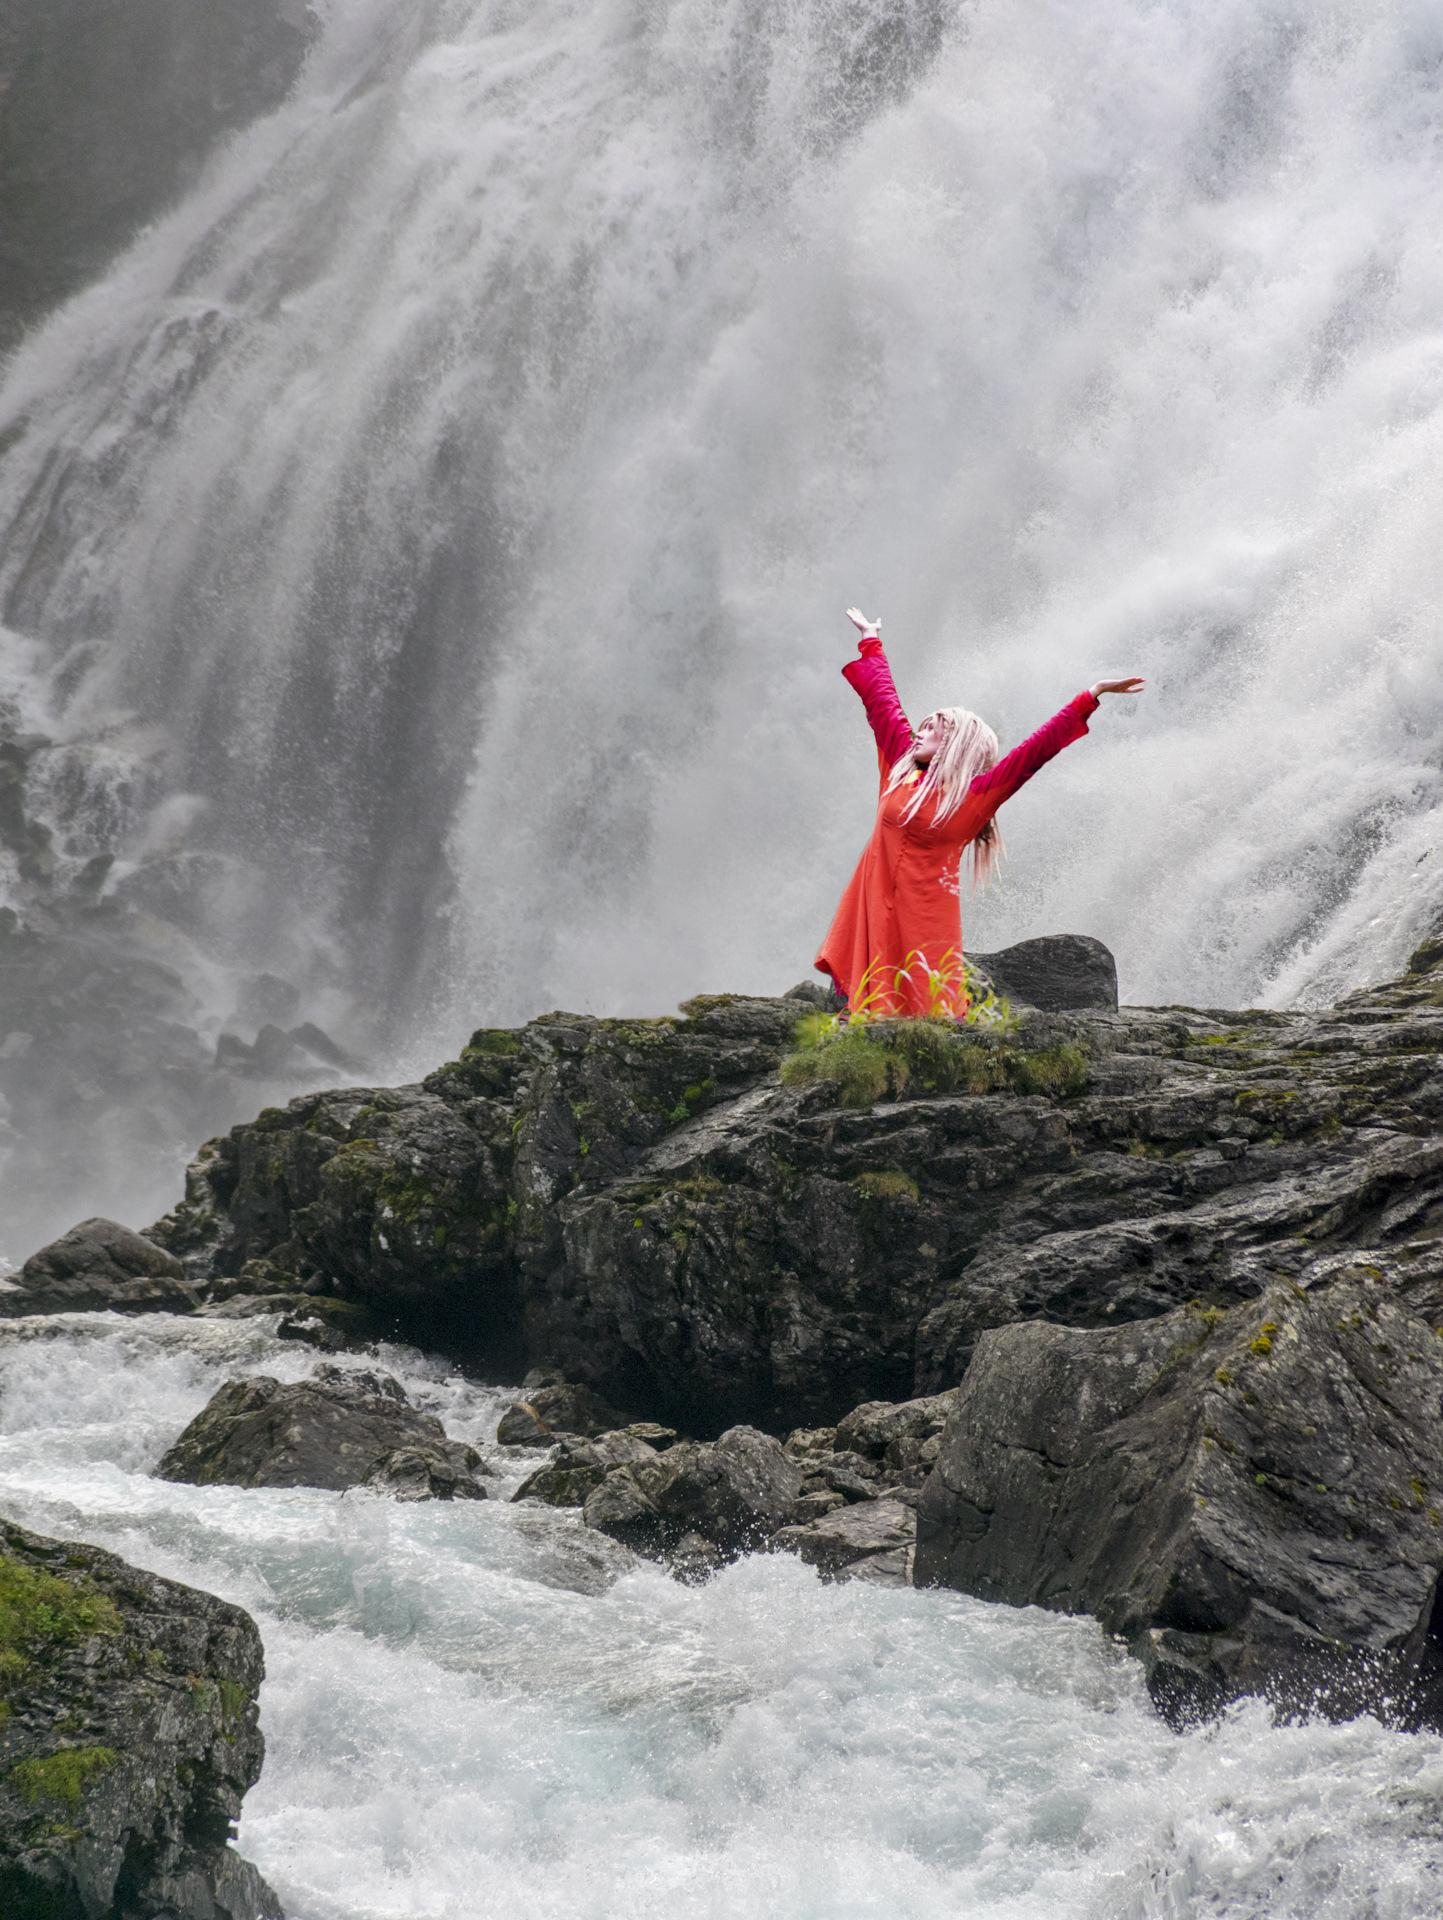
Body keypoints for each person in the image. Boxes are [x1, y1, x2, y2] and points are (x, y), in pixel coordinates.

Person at [815, 607, 1144, 1019]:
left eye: (933, 728)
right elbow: (882, 702)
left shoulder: (976, 796)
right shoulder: (901, 766)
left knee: (928, 1014)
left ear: (956, 744)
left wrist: (1090, 696)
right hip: (874, 902)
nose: (920, 731)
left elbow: (1034, 752)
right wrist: (870, 640)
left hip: (926, 916)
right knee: (869, 1008)